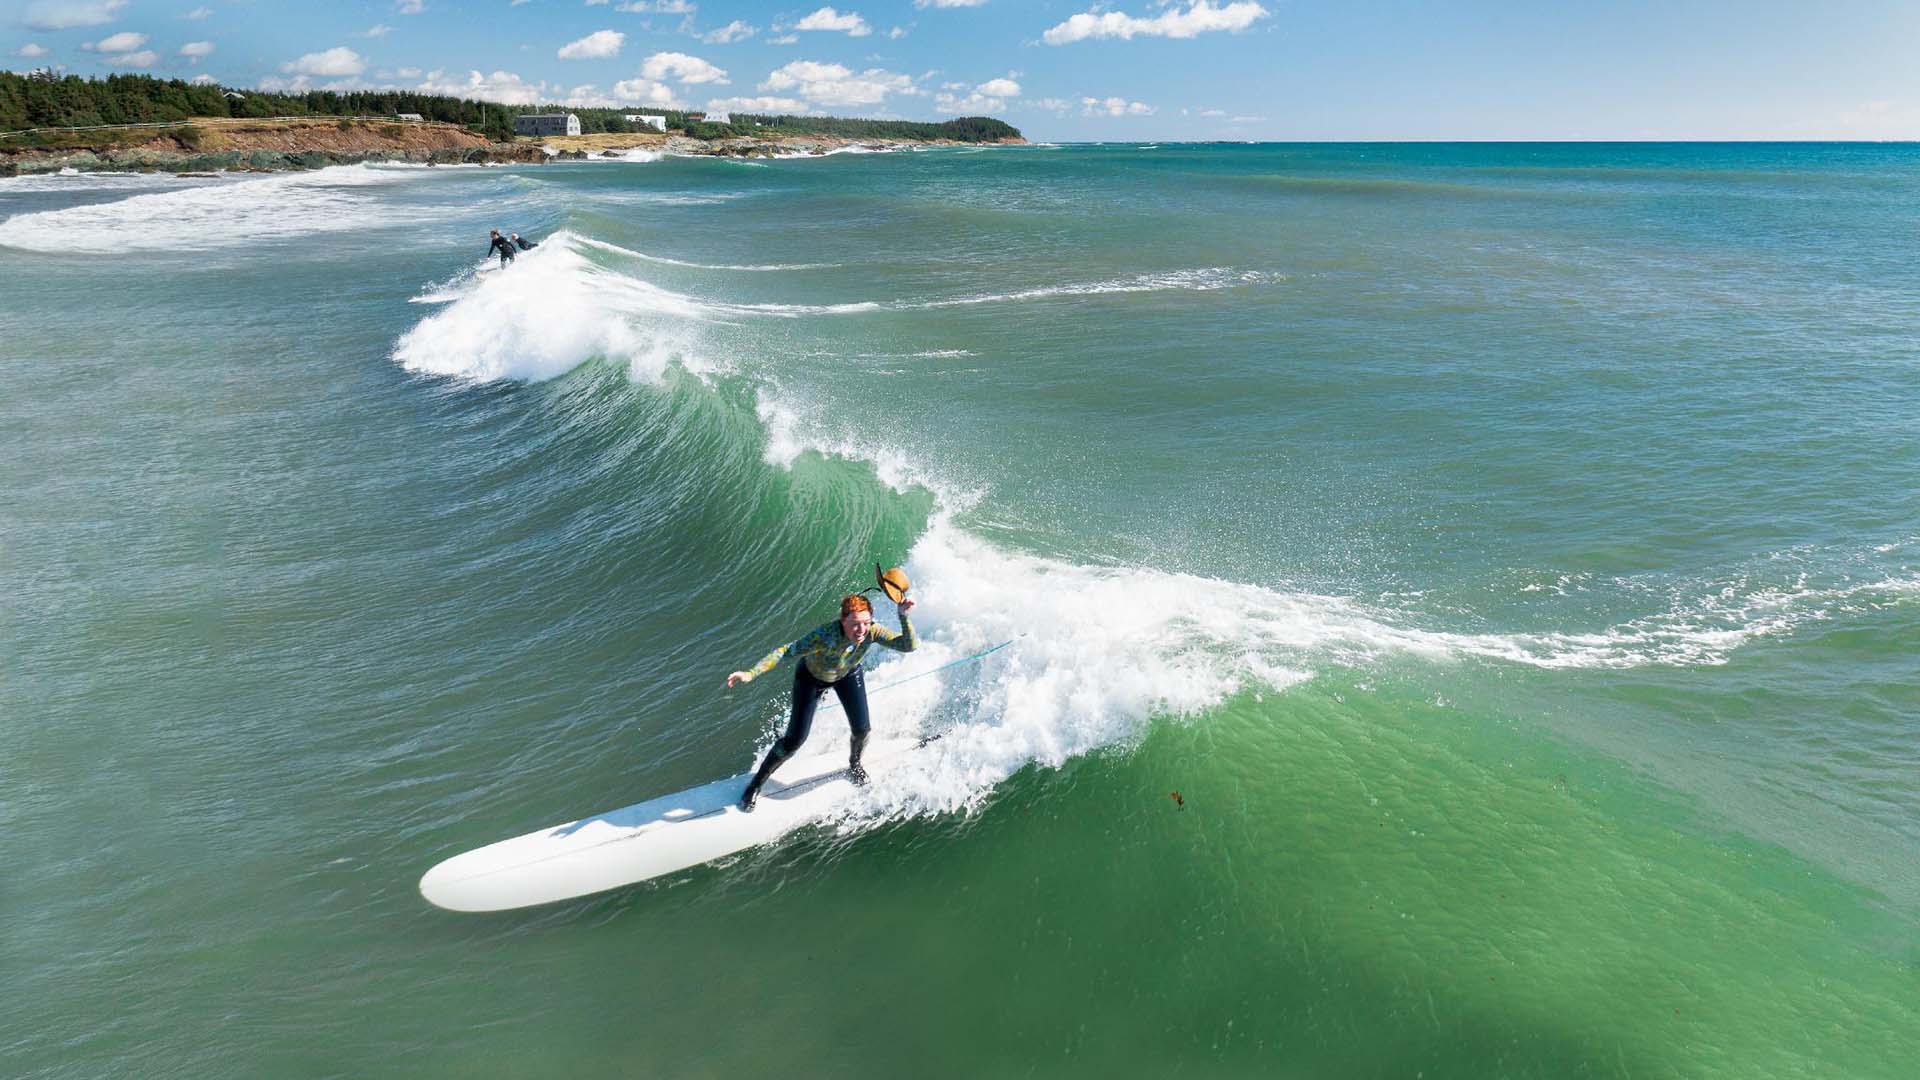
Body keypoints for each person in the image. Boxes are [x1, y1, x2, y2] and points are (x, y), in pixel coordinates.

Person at [726, 590, 917, 811]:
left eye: (866, 623)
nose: (861, 630)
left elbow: (908, 646)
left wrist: (903, 616)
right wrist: (751, 673)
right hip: (811, 679)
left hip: (847, 675)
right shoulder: (825, 635)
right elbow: (785, 651)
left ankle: (854, 764)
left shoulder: (872, 631)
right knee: (794, 740)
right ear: (842, 620)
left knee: (863, 729)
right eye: (855, 624)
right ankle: (755, 784)